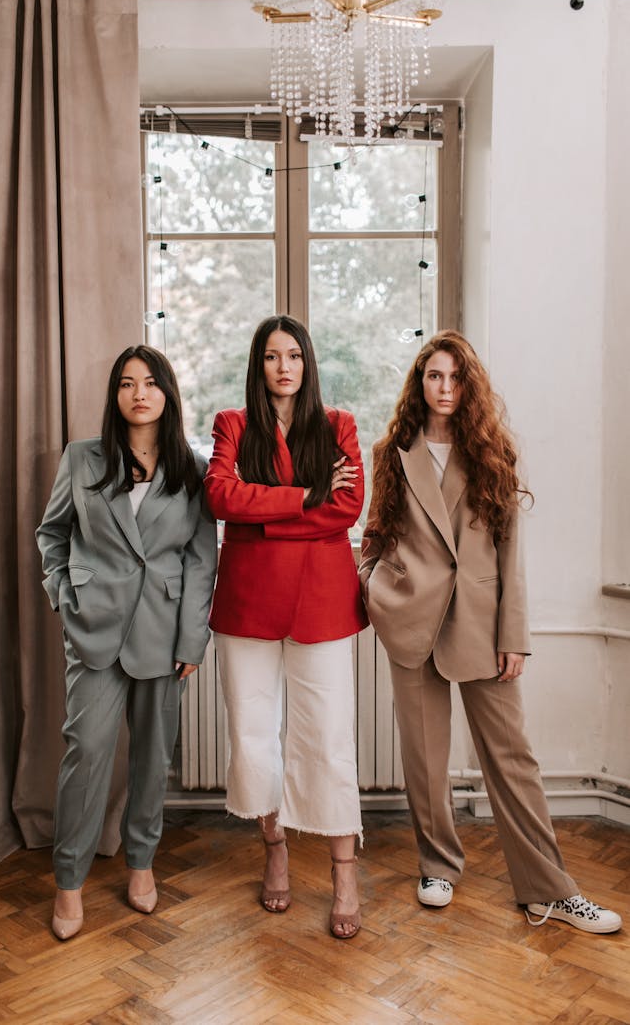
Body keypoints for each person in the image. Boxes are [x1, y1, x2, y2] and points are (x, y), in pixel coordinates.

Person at [359, 330, 622, 935]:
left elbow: (511, 551)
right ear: (419, 383)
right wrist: (373, 584)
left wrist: (514, 635)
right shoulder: (392, 451)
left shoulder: (492, 450)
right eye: (434, 376)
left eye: (455, 377)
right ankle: (438, 865)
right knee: (423, 759)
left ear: (468, 384)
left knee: (512, 759)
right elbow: (375, 534)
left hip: (480, 624)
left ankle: (549, 889)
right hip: (409, 620)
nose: (444, 388)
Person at [36, 344, 217, 940]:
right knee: (85, 753)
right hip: (93, 629)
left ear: (167, 393)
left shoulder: (193, 468)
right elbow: (52, 533)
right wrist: (64, 592)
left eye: (150, 382)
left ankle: (141, 864)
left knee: (151, 758)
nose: (138, 393)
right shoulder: (83, 458)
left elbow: (200, 560)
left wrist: (193, 639)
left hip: (164, 637)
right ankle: (69, 880)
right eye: (126, 383)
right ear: (115, 396)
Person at [204, 315, 367, 939]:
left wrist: (261, 512)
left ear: (308, 363)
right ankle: (274, 849)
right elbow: (219, 497)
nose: (283, 367)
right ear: (259, 364)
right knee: (252, 734)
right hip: (247, 605)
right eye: (272, 356)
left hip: (321, 603)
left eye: (293, 355)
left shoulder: (338, 426)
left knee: (327, 737)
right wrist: (304, 497)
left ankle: (343, 871)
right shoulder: (232, 425)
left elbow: (347, 508)